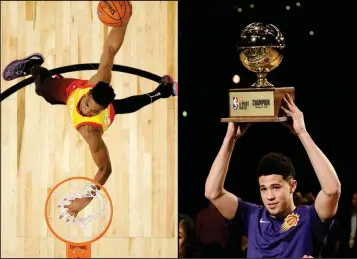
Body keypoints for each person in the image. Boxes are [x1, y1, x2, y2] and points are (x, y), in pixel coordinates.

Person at [2, 9, 177, 219]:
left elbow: (105, 169)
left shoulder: (91, 132)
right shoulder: (99, 80)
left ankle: (161, 92)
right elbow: (111, 48)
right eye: (87, 104)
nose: (86, 109)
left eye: (92, 110)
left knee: (120, 107)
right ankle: (32, 65)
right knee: (44, 90)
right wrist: (123, 19)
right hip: (70, 92)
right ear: (90, 92)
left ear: (102, 109)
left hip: (97, 113)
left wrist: (85, 200)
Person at [204, 94, 341, 258]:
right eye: (264, 189)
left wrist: (302, 132)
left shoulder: (309, 218)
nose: (269, 196)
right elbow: (212, 193)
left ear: (292, 186)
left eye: (276, 187)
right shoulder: (252, 216)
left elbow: (332, 190)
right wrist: (230, 138)